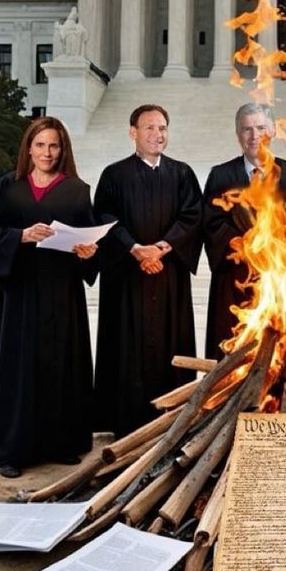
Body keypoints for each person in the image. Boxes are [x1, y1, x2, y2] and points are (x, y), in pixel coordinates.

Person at [0, 117, 97, 478]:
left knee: (59, 365)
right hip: (21, 294)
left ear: (63, 150)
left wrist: (88, 252)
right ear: (29, 147)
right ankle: (11, 450)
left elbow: (88, 237)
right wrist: (22, 236)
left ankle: (61, 444)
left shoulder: (77, 189)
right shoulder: (9, 187)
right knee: (19, 367)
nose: (47, 152)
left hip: (62, 293)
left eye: (54, 146)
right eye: (41, 145)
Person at [93, 105, 202, 437]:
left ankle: (172, 419)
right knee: (126, 346)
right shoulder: (114, 175)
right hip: (126, 278)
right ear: (133, 132)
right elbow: (104, 218)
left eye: (163, 128)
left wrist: (161, 248)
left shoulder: (182, 174)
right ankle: (125, 422)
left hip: (168, 276)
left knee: (170, 347)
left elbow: (192, 218)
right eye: (150, 128)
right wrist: (135, 249)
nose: (158, 134)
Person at [202, 103, 286, 357]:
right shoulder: (221, 176)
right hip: (236, 281)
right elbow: (211, 225)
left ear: (271, 131)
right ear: (238, 134)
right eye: (247, 129)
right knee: (234, 354)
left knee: (277, 355)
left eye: (260, 127)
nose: (254, 136)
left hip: (279, 280)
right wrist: (249, 244)